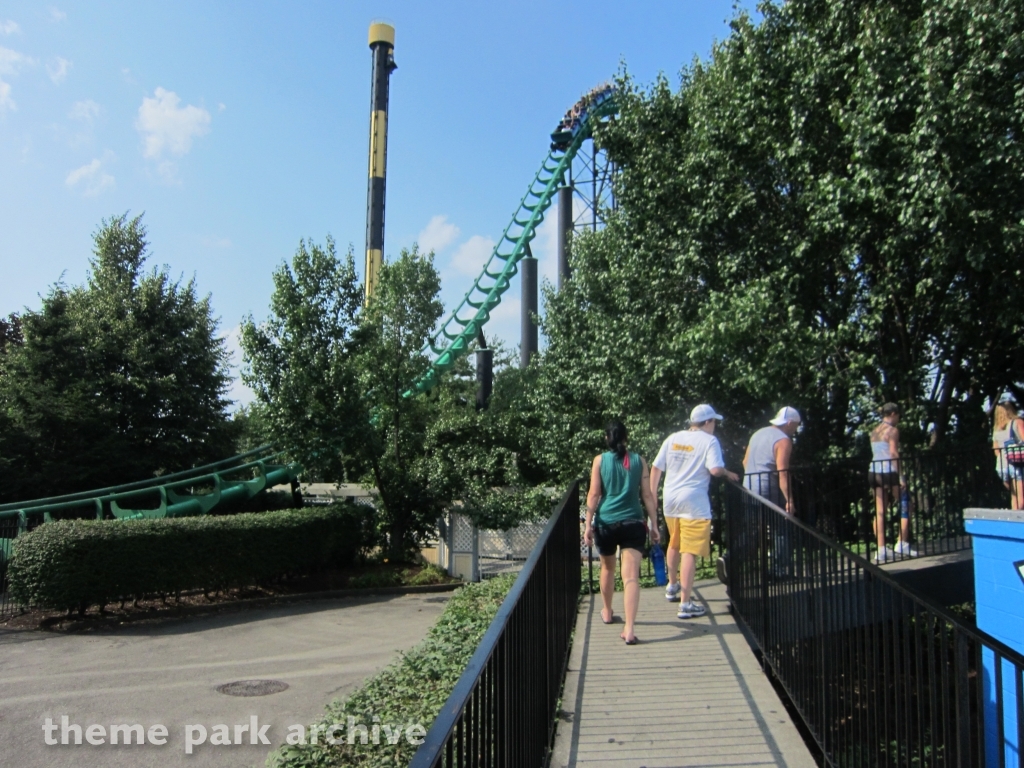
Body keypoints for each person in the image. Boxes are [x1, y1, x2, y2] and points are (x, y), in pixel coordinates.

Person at [651, 404, 738, 619]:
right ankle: (686, 603)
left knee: (674, 542)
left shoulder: (673, 438)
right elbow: (715, 469)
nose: (715, 426)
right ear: (707, 422)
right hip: (694, 502)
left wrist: (652, 495)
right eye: (714, 422)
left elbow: (656, 467)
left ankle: (672, 586)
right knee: (689, 551)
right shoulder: (709, 441)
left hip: (671, 499)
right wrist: (728, 473)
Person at [583, 421, 659, 645]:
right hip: (633, 522)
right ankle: (630, 628)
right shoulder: (639, 461)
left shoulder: (599, 461)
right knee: (631, 576)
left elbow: (594, 494)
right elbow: (647, 495)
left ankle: (607, 611)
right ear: (626, 437)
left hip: (606, 523)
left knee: (607, 567)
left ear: (608, 439)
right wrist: (654, 524)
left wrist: (588, 523)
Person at [869, 403, 915, 562]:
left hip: (874, 470)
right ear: (894, 414)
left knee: (880, 510)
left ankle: (881, 549)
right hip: (889, 471)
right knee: (906, 503)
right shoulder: (893, 431)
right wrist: (901, 476)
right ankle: (902, 542)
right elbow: (894, 453)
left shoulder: (875, 431)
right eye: (898, 415)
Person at [743, 406, 801, 511]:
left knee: (756, 527)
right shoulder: (783, 440)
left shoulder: (757, 434)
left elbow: (745, 462)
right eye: (796, 425)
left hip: (748, 489)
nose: (796, 429)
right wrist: (790, 501)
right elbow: (782, 472)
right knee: (782, 526)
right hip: (768, 492)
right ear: (789, 423)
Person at [992, 398, 1024, 510]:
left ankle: (1013, 520)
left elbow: (996, 450)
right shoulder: (1017, 422)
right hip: (1016, 464)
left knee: (1014, 496)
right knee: (1021, 498)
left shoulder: (996, 429)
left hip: (1001, 465)